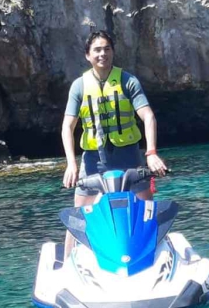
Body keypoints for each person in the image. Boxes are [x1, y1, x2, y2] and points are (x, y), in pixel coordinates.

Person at [61, 29, 170, 211]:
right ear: (88, 55)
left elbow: (148, 116)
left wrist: (151, 153)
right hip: (93, 160)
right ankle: (82, 232)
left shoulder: (128, 81)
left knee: (146, 208)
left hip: (129, 156)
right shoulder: (79, 86)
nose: (102, 54)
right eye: (97, 50)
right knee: (79, 212)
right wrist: (71, 164)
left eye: (107, 49)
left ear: (113, 52)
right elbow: (67, 127)